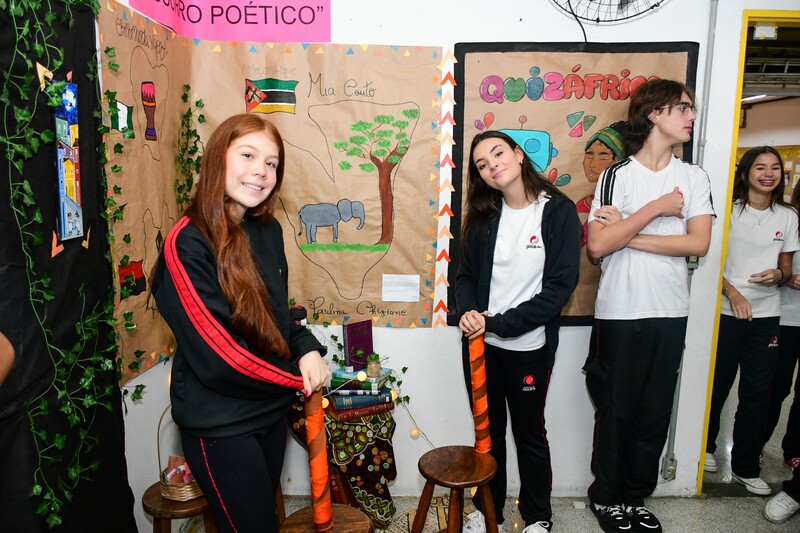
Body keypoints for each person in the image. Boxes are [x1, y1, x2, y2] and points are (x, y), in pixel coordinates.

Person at [151, 113, 330, 533]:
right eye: (248, 155)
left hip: (269, 412)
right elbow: (222, 358)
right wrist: (295, 379)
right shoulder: (187, 242)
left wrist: (306, 348)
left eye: (271, 163)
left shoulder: (267, 230)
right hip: (222, 425)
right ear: (218, 158)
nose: (261, 171)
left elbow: (278, 318)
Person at [584, 79, 714, 533]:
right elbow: (597, 246)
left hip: (670, 312)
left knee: (654, 411)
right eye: (683, 108)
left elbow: (698, 243)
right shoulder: (616, 175)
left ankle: (635, 497)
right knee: (615, 410)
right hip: (620, 311)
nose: (691, 116)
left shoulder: (694, 177)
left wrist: (628, 233)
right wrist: (657, 207)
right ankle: (606, 498)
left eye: (691, 109)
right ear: (654, 113)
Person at [456, 130, 581, 533]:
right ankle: (486, 511)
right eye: (482, 164)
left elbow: (557, 291)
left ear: (518, 154)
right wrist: (469, 312)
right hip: (481, 348)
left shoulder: (558, 212)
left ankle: (537, 517)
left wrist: (497, 323)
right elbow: (465, 275)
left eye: (498, 153)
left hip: (529, 348)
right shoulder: (482, 216)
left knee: (530, 436)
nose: (492, 165)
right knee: (487, 436)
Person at [705, 146, 799, 496]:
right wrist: (733, 293)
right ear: (745, 173)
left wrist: (779, 274)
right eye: (760, 167)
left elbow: (786, 268)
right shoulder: (728, 211)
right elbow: (709, 263)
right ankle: (706, 446)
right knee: (717, 385)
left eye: (774, 167)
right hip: (726, 312)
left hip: (767, 316)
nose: (768, 173)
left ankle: (746, 466)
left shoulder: (787, 216)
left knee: (758, 393)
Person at [761, 178, 800, 473]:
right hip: (786, 317)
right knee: (776, 387)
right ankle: (757, 442)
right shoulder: (788, 220)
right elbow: (770, 264)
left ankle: (795, 448)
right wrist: (787, 277)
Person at [576, 121, 629, 247]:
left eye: (603, 157)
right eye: (589, 155)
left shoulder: (627, 204)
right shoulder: (580, 205)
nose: (592, 164)